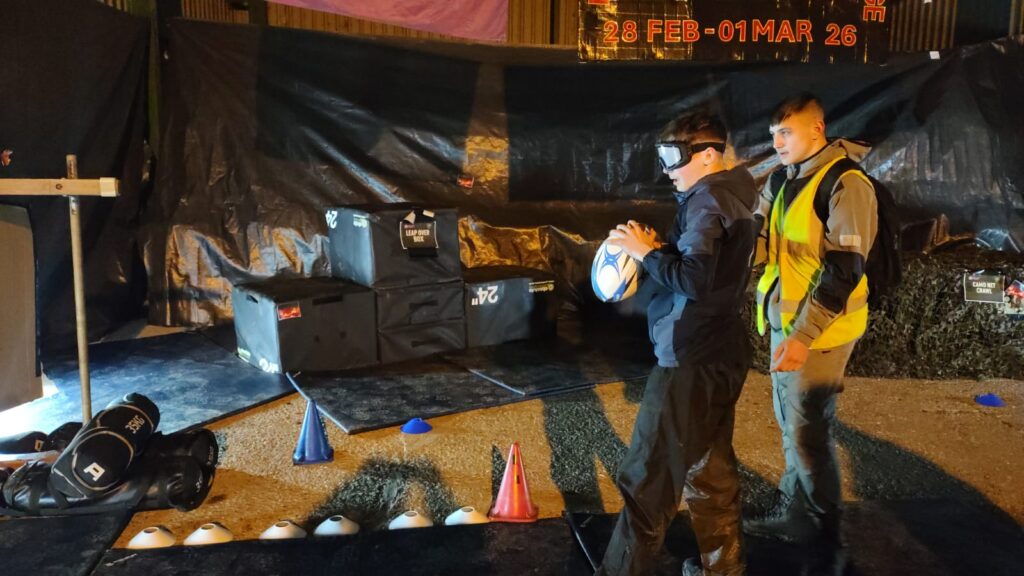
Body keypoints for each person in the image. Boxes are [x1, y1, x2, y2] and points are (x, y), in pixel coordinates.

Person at [596, 110, 759, 576]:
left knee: (647, 480)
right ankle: (723, 568)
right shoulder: (736, 191)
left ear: (707, 155)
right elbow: (710, 268)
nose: (667, 169)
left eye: (675, 156)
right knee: (709, 470)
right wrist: (660, 249)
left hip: (689, 359)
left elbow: (695, 279)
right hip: (721, 350)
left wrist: (646, 253)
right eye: (663, 156)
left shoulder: (708, 199)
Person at [746, 93, 878, 547]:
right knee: (792, 423)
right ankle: (795, 513)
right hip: (786, 323)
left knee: (808, 432)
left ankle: (823, 534)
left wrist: (802, 335)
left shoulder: (846, 184)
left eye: (786, 132)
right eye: (773, 135)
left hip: (822, 332)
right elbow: (759, 241)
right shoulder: (782, 180)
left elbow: (845, 270)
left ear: (817, 129)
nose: (777, 143)